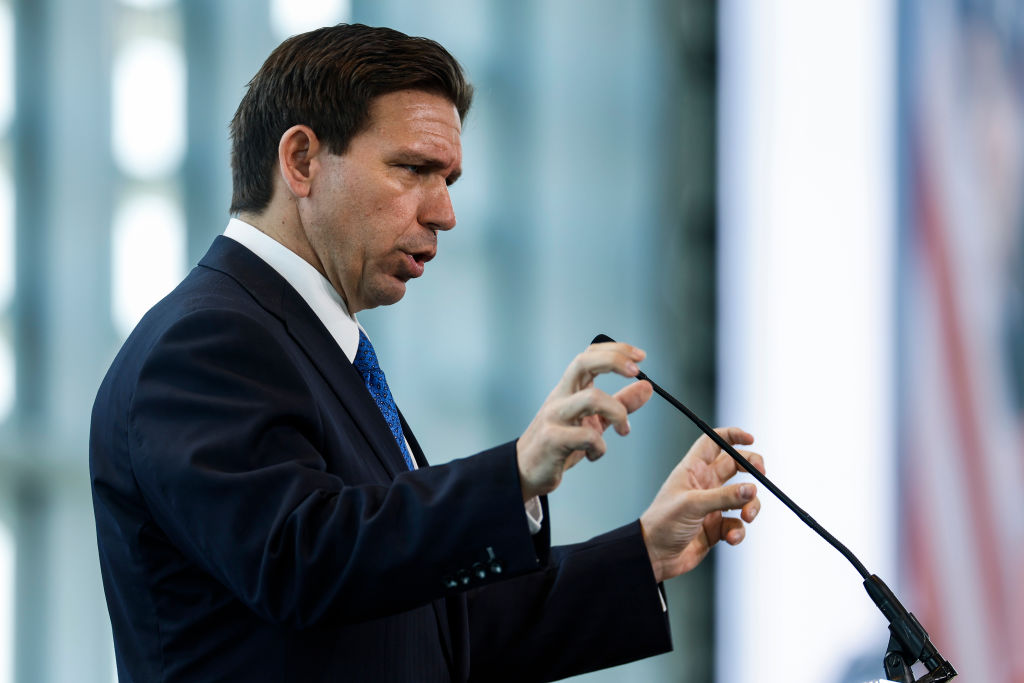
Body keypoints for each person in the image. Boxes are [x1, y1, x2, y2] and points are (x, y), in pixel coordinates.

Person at [90, 23, 764, 682]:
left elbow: (440, 632)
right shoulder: (205, 342)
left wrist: (644, 553)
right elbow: (302, 563)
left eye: (449, 179)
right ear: (301, 161)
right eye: (414, 169)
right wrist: (514, 474)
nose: (444, 213)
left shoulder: (315, 347)